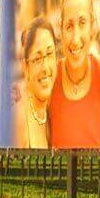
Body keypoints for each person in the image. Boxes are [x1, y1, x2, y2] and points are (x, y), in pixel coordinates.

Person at [49, 0, 100, 148]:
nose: (75, 39)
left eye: (82, 23)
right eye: (69, 26)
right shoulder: (49, 78)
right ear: (60, 29)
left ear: (92, 25)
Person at [15, 17, 57, 148]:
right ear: (26, 67)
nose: (45, 67)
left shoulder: (55, 107)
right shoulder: (19, 120)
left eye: (50, 54)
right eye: (37, 59)